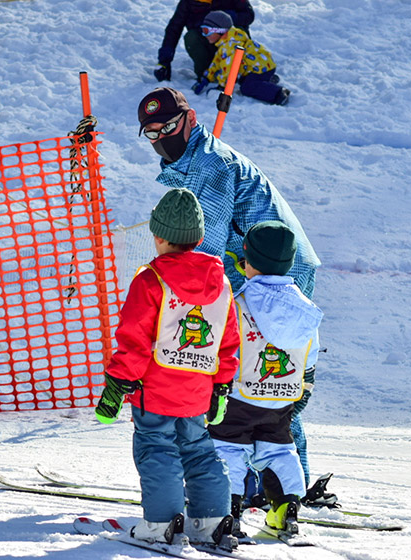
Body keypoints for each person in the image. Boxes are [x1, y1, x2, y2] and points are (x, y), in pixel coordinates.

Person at [137, 86, 321, 496]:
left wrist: (166, 309)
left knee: (260, 382)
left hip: (276, 273)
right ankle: (275, 482)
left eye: (167, 127)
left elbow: (204, 256)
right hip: (264, 273)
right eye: (150, 133)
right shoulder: (196, 160)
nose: (160, 138)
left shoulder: (210, 165)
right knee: (263, 381)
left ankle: (257, 484)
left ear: (189, 119)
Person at [94, 188, 240, 550]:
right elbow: (227, 340)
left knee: (157, 448)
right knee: (198, 450)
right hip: (196, 392)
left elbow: (135, 338)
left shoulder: (150, 280)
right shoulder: (221, 284)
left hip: (155, 390)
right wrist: (222, 386)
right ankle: (211, 520)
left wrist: (117, 385)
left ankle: (162, 524)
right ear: (199, 238)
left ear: (158, 236)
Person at [207, 221, 323, 540]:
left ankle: (224, 512)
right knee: (278, 452)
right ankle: (285, 510)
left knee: (227, 449)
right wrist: (301, 393)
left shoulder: (240, 303)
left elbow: (224, 346)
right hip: (281, 398)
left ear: (249, 261)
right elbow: (309, 357)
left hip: (239, 398)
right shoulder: (305, 309)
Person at [191, 11, 290, 106]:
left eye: (206, 31)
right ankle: (268, 80)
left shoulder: (231, 46)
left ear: (220, 31)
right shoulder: (226, 42)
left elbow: (229, 70)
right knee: (243, 80)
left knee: (247, 88)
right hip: (259, 67)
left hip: (261, 68)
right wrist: (207, 78)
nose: (204, 35)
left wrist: (222, 87)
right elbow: (217, 61)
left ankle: (278, 93)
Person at [154, 0, 255, 83]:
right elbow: (174, 28)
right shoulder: (188, 3)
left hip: (231, 45)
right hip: (207, 44)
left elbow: (249, 15)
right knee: (191, 37)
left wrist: (227, 18)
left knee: (239, 32)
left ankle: (244, 70)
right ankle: (207, 75)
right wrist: (164, 61)